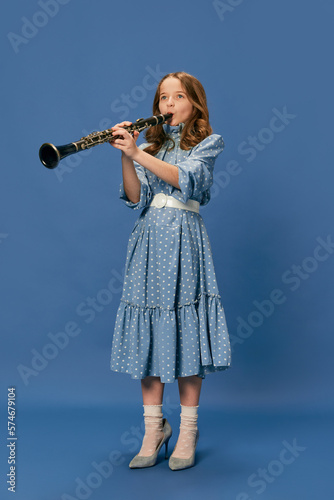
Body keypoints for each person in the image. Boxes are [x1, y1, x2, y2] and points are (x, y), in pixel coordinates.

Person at [109, 71, 231, 470]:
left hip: (185, 242)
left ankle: (188, 431)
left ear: (195, 102)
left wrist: (137, 154)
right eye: (164, 98)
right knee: (151, 332)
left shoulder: (209, 144)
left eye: (179, 96)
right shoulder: (150, 146)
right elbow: (136, 198)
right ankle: (152, 429)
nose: (170, 104)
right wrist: (126, 156)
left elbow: (187, 181)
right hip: (148, 242)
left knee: (185, 332)